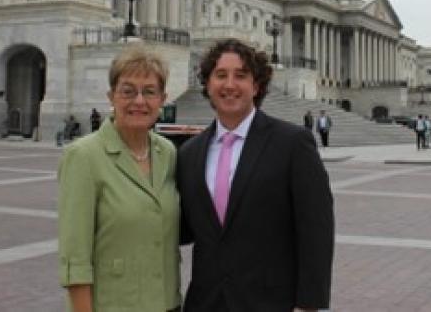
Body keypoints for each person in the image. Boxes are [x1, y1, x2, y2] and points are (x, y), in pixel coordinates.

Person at [177, 39, 334, 312]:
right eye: (220, 75)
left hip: (272, 303)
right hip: (206, 302)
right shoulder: (190, 153)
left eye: (241, 75)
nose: (229, 85)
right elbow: (185, 229)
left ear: (256, 85)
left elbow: (316, 230)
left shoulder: (292, 143)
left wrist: (309, 304)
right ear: (208, 85)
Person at [57, 47, 181, 312]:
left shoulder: (166, 153)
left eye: (149, 91)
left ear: (163, 100)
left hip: (168, 303)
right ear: (111, 96)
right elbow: (75, 257)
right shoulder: (84, 156)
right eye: (128, 91)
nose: (139, 101)